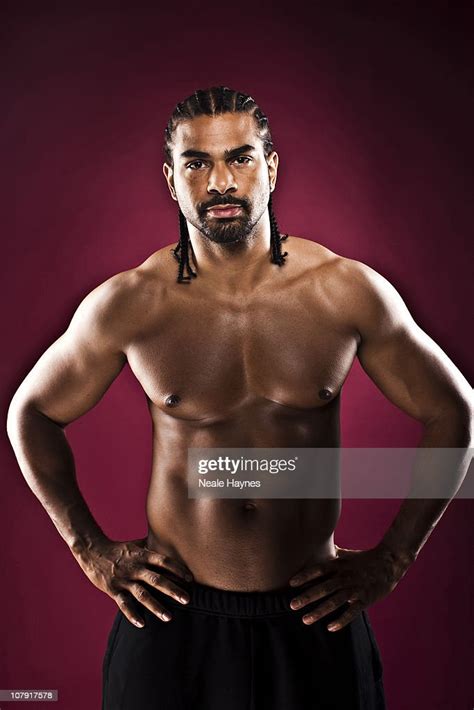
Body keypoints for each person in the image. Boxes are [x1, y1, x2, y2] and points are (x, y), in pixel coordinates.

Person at [6, 86, 472, 710]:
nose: (221, 181)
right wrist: (88, 548)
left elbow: (454, 410)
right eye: (197, 163)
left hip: (313, 620)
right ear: (172, 181)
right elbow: (29, 414)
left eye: (241, 157)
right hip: (174, 624)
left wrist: (392, 559)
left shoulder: (345, 292)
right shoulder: (132, 303)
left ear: (271, 167)